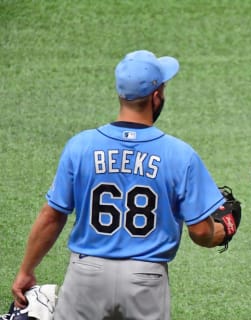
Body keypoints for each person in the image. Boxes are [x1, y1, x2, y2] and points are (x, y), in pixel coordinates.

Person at [11, 50, 231, 320]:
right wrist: (223, 229)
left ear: (120, 94)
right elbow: (200, 232)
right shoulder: (180, 154)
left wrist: (26, 270)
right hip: (145, 280)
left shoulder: (81, 146)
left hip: (86, 276)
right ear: (156, 96)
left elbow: (52, 215)